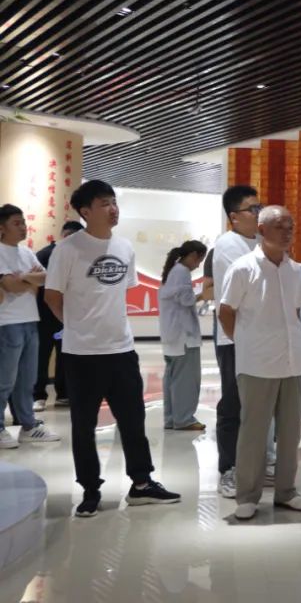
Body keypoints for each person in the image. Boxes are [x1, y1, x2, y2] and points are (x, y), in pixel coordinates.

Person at [43, 180, 180, 517]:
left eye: (114, 202)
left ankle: (142, 484)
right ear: (85, 211)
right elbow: (52, 296)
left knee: (133, 420)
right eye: (104, 203)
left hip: (122, 350)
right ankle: (90, 489)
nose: (113, 209)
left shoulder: (124, 247)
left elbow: (119, 293)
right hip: (82, 354)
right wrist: (76, 326)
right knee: (84, 426)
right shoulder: (68, 249)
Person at [219, 205, 301, 521]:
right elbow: (226, 312)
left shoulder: (295, 270)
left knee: (290, 433)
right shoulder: (243, 268)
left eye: (290, 226)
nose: (287, 232)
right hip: (257, 363)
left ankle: (287, 491)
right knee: (254, 432)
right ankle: (247, 495)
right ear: (262, 231)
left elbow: (296, 312)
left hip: (293, 360)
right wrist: (246, 343)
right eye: (279, 226)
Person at [211, 184, 271, 498]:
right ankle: (229, 468)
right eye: (253, 209)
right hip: (235, 337)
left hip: (262, 337)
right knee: (233, 405)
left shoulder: (260, 241)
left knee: (259, 406)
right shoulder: (228, 245)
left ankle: (255, 465)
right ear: (234, 217)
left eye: (260, 207)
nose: (259, 213)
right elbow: (252, 286)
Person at [0, 204, 62, 448]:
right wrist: (29, 279)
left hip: (30, 320)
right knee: (5, 380)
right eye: (16, 223)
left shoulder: (26, 253)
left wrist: (22, 277)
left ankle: (28, 425)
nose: (23, 227)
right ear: (2, 228)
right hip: (7, 323)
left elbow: (45, 277)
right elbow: (10, 286)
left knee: (27, 380)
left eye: (24, 222)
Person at [32, 220, 83, 410]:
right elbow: (36, 283)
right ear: (65, 236)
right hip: (44, 315)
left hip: (66, 315)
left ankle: (63, 394)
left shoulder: (78, 256)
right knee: (42, 356)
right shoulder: (45, 254)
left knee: (65, 355)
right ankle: (38, 395)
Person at [158, 240, 208, 432]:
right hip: (183, 337)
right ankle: (184, 419)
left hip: (172, 336)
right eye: (200, 260)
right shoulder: (182, 272)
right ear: (193, 255)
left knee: (172, 378)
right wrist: (204, 295)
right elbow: (186, 300)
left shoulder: (173, 271)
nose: (198, 265)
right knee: (186, 380)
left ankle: (172, 418)